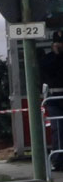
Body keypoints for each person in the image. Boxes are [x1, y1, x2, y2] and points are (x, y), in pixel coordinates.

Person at [41, 30, 63, 170]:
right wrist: (56, 55)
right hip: (54, 99)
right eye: (58, 44)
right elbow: (47, 71)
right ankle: (58, 160)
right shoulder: (48, 59)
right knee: (58, 129)